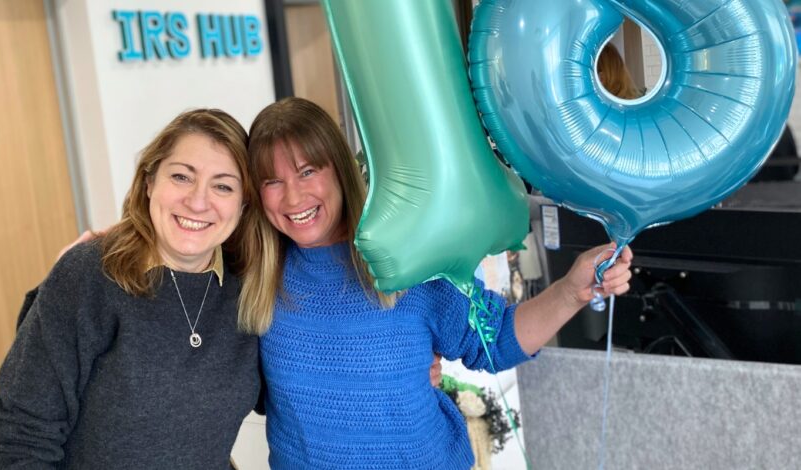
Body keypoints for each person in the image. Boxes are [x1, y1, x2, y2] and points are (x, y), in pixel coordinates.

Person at [246, 97, 633, 469]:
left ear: (339, 170)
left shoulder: (405, 259)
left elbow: (494, 338)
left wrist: (570, 291)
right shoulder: (257, 279)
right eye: (272, 181)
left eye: (308, 171)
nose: (294, 196)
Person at [0, 109, 275, 469]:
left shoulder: (249, 286)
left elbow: (292, 397)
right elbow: (21, 438)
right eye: (182, 177)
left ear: (243, 204)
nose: (198, 201)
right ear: (149, 181)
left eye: (223, 186)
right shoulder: (89, 274)